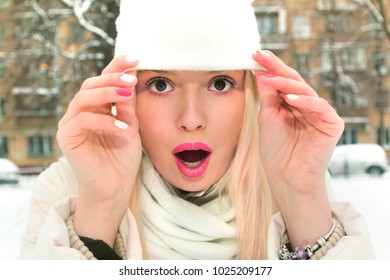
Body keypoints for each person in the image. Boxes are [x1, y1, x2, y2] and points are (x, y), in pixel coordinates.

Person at [19, 0, 374, 260]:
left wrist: (301, 201)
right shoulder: (68, 190)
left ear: (251, 93)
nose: (191, 119)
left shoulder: (295, 182)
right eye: (160, 84)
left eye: (219, 84)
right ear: (125, 92)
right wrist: (100, 205)